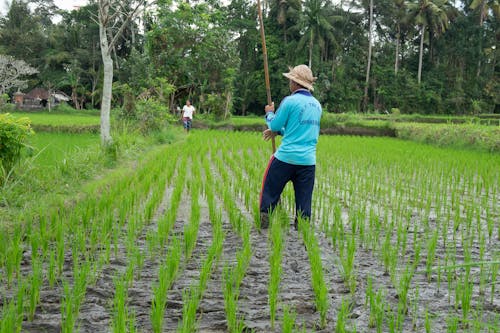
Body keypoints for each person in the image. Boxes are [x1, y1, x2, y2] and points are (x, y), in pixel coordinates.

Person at [259, 64, 322, 230]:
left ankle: (265, 219)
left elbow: (275, 124)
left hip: (285, 158)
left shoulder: (290, 101)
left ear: (295, 83)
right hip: (308, 162)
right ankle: (302, 229)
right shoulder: (317, 105)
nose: (289, 83)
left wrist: (269, 113)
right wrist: (279, 132)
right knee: (304, 201)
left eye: (290, 80)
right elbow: (296, 130)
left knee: (269, 190)